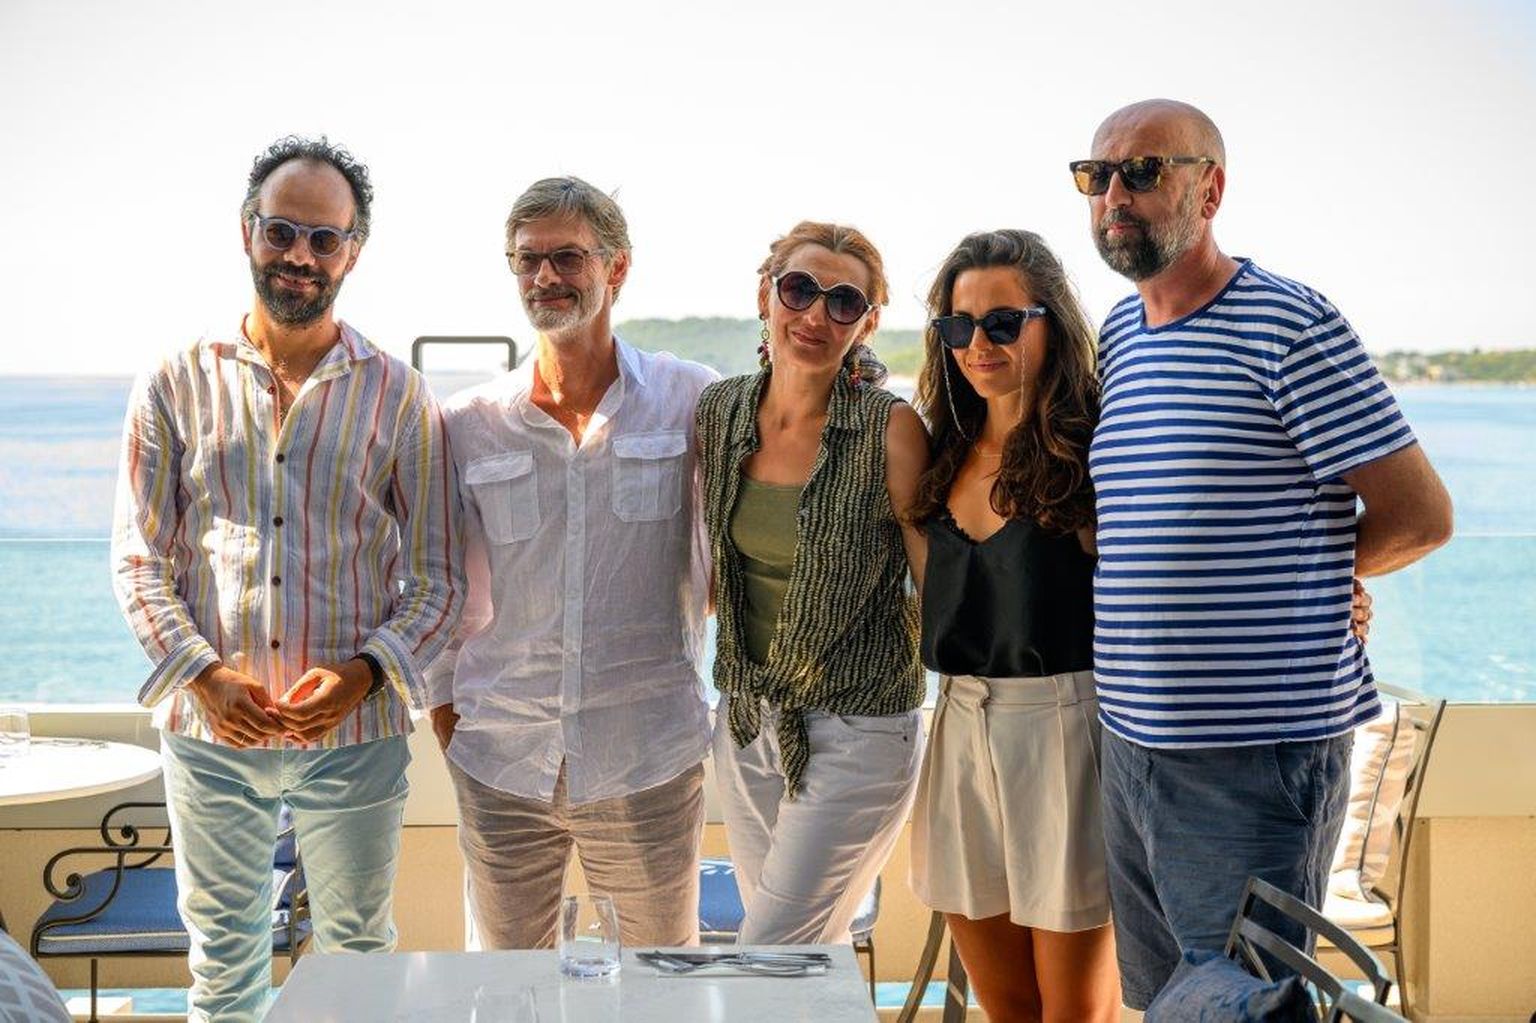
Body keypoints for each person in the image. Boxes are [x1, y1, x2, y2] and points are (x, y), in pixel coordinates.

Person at [1074, 98, 1454, 1008]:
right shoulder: (1120, 334)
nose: (1115, 194)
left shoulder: (1289, 324)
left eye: (1143, 171)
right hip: (1131, 740)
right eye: (1097, 175)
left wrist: (1328, 579)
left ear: (1210, 191)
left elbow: (1420, 514)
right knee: (1166, 1000)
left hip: (1253, 755)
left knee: (1247, 1004)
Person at [112, 136, 463, 1022]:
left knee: (357, 960)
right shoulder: (173, 382)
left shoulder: (400, 395)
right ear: (247, 233)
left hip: (358, 734)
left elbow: (439, 577)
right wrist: (204, 675)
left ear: (352, 252)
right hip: (210, 735)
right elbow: (140, 558)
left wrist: (366, 675)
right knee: (223, 969)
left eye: (323, 238)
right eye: (282, 231)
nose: (300, 255)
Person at [427, 177, 717, 949]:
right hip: (500, 758)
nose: (545, 276)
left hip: (647, 755)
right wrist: (448, 717)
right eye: (528, 260)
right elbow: (439, 585)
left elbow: (735, 554)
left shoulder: (691, 399)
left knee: (658, 988)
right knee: (504, 988)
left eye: (567, 257)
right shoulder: (467, 423)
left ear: (616, 267)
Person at [695, 221, 930, 945]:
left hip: (860, 730)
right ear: (765, 294)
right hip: (746, 724)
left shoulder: (890, 430)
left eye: (844, 301)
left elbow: (938, 591)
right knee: (797, 968)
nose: (815, 315)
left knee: (770, 954)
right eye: (799, 289)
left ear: (868, 323)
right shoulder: (720, 412)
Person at [907, 229, 1119, 1021]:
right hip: (958, 728)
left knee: (1074, 1014)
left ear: (1050, 323)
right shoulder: (942, 449)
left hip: (1066, 732)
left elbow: (1174, 568)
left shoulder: (1095, 448)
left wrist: (1333, 586)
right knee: (1007, 1010)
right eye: (959, 325)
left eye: (1002, 323)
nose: (978, 344)